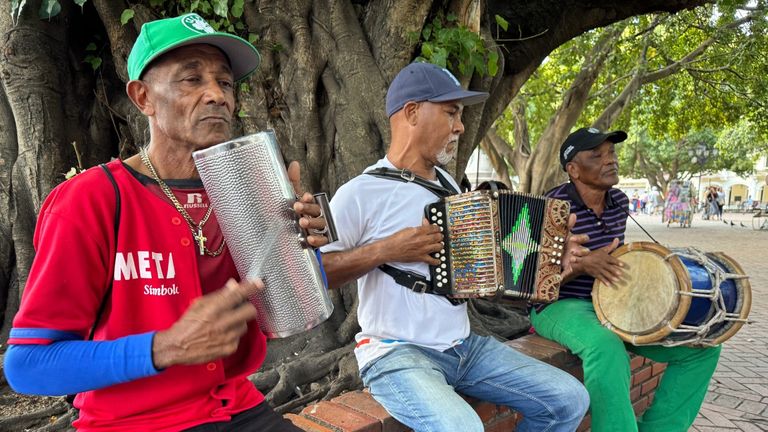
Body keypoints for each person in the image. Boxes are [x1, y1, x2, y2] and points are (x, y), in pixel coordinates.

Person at [4, 13, 329, 431]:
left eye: (225, 82)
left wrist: (298, 248)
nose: (217, 95)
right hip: (131, 420)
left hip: (238, 406)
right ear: (143, 98)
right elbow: (27, 365)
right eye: (191, 80)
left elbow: (280, 315)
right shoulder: (90, 200)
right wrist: (164, 347)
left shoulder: (242, 194)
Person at [320, 62, 589, 432]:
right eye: (451, 112)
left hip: (465, 347)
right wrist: (387, 249)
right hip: (397, 352)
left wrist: (549, 261)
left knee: (568, 400)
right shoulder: (360, 193)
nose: (460, 126)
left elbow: (483, 274)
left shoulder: (450, 185)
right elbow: (320, 272)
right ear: (412, 112)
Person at [531, 127, 721, 432]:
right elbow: (532, 284)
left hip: (613, 304)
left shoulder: (619, 202)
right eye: (597, 155)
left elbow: (615, 255)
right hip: (559, 305)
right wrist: (581, 266)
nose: (610, 160)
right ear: (573, 169)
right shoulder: (551, 206)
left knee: (702, 347)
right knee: (605, 348)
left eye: (612, 153)